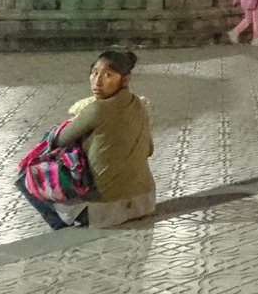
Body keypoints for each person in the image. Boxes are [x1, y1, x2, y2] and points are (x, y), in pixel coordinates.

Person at [16, 48, 156, 230]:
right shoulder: (139, 105)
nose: (98, 82)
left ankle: (64, 231)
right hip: (145, 201)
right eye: (94, 73)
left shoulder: (96, 110)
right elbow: (149, 149)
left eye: (108, 75)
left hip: (108, 210)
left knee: (25, 176)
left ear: (125, 79)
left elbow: (58, 140)